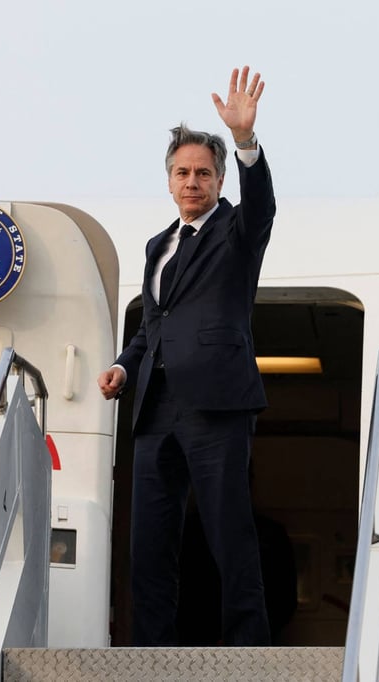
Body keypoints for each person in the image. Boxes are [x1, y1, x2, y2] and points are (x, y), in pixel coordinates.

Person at [97, 66, 274, 647]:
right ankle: (151, 650)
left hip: (217, 404)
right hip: (154, 406)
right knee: (150, 540)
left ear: (220, 179)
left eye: (203, 173)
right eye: (182, 172)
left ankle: (248, 649)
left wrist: (245, 141)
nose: (192, 182)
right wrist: (124, 365)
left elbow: (262, 202)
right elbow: (154, 326)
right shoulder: (158, 244)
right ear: (169, 180)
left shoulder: (237, 230)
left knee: (228, 533)